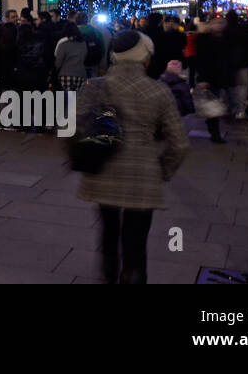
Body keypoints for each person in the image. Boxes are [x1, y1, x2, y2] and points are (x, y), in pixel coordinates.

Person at [77, 31, 188, 284]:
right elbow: (179, 143)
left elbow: (75, 127)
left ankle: (108, 276)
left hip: (103, 170)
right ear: (144, 58)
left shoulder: (95, 86)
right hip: (143, 175)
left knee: (108, 233)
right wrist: (163, 170)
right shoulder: (158, 91)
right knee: (136, 244)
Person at [190, 19, 232, 143]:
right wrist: (202, 78)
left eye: (221, 23)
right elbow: (200, 60)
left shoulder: (226, 38)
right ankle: (215, 133)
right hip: (209, 77)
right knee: (213, 104)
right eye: (216, 23)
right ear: (210, 25)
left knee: (218, 104)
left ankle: (213, 126)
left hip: (221, 77)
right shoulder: (203, 40)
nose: (218, 26)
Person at [53, 23, 89, 92]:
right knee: (77, 99)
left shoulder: (63, 44)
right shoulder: (83, 43)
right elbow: (84, 57)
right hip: (81, 74)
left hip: (66, 75)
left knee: (68, 100)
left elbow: (58, 62)